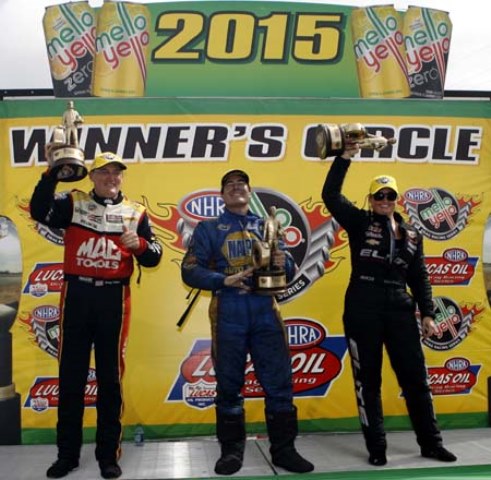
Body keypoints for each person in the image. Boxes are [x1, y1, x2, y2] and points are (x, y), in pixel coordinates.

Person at [321, 145, 457, 467]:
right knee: (368, 380)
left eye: (389, 196)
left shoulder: (412, 234)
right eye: (378, 196)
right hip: (362, 305)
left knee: (415, 379)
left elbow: (420, 276)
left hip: (399, 306)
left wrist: (427, 313)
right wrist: (344, 158)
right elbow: (330, 195)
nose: (384, 201)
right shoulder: (358, 221)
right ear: (370, 200)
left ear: (397, 199)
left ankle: (431, 443)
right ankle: (377, 447)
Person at [30, 152, 162, 479]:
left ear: (122, 178)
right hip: (77, 294)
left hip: (113, 298)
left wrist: (140, 246)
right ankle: (67, 455)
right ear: (92, 176)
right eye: (103, 172)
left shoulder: (136, 212)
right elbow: (38, 211)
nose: (110, 178)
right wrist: (51, 175)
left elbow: (155, 256)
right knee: (71, 377)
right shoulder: (72, 203)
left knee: (110, 379)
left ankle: (108, 455)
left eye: (116, 173)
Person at [181, 169, 314, 475]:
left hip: (266, 308)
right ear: (222, 195)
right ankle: (231, 452)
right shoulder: (209, 228)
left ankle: (284, 450)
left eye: (241, 184)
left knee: (279, 383)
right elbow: (189, 270)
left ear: (250, 192)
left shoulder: (266, 225)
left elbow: (288, 270)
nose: (236, 187)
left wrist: (285, 262)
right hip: (229, 310)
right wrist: (225, 279)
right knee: (229, 385)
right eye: (229, 184)